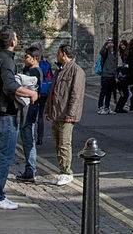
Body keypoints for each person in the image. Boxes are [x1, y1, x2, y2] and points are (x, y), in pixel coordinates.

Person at [0, 25, 38, 210]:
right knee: (4, 155)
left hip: (0, 111)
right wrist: (29, 93)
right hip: (5, 112)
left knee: (1, 153)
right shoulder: (6, 60)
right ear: (13, 41)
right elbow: (9, 86)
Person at [43, 44, 85, 186]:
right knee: (57, 142)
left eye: (59, 53)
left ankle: (67, 172)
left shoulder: (76, 71)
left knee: (64, 144)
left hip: (66, 114)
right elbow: (52, 92)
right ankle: (62, 170)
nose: (57, 55)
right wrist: (48, 109)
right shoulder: (59, 70)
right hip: (56, 112)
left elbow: (76, 95)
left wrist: (71, 114)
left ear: (64, 54)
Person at [14, 45, 42, 182]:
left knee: (28, 140)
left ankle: (31, 169)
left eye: (27, 57)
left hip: (30, 110)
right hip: (27, 109)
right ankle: (29, 168)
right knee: (26, 139)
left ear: (34, 58)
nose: (24, 59)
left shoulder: (35, 73)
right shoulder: (28, 70)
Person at [115, 38, 133, 113]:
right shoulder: (131, 52)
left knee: (128, 92)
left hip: (128, 74)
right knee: (127, 92)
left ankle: (120, 107)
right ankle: (121, 108)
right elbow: (132, 63)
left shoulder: (129, 52)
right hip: (129, 74)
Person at [34, 46, 52, 145]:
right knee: (41, 115)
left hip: (35, 92)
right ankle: (40, 137)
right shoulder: (47, 64)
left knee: (32, 115)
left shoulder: (34, 65)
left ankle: (32, 136)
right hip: (45, 91)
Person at [96, 38, 117, 115]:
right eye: (109, 43)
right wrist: (105, 44)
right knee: (103, 92)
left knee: (109, 93)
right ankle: (100, 107)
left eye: (111, 43)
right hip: (105, 75)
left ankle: (107, 107)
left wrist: (115, 76)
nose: (110, 44)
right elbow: (101, 52)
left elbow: (114, 66)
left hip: (111, 75)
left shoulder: (113, 53)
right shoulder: (105, 52)